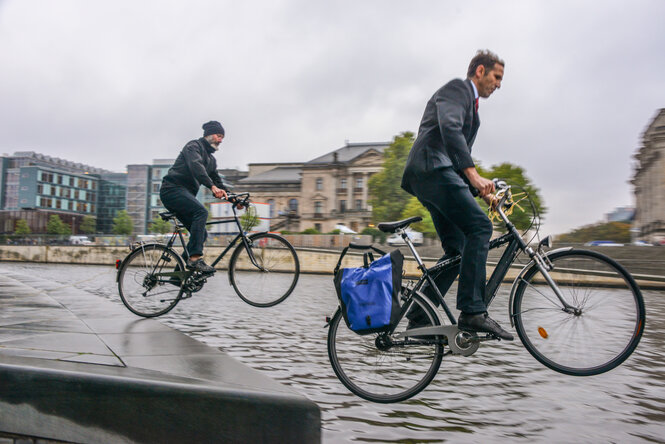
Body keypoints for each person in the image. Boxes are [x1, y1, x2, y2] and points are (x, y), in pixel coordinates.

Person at [401, 50, 513, 340]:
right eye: (496, 77)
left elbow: (457, 149)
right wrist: (474, 175)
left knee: (458, 248)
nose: (498, 84)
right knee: (480, 227)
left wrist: (481, 191)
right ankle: (473, 311)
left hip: (432, 174)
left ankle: (418, 319)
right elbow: (450, 130)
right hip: (432, 169)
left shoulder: (471, 106)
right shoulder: (457, 89)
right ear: (479, 71)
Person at [160, 121, 228, 274]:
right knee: (201, 212)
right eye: (219, 136)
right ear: (209, 135)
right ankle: (195, 259)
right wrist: (211, 186)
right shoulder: (193, 146)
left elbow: (218, 181)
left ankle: (179, 276)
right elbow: (196, 167)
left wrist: (234, 199)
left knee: (202, 234)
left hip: (184, 194)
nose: (221, 140)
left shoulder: (211, 160)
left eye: (222, 137)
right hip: (171, 190)